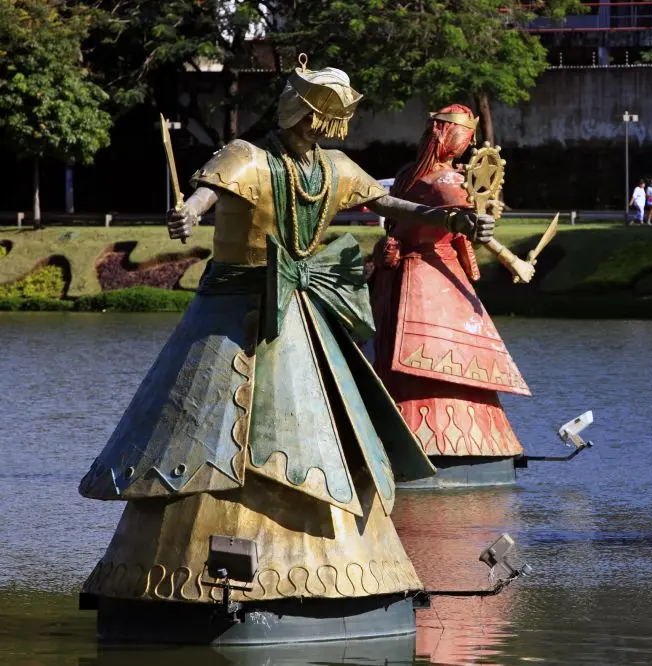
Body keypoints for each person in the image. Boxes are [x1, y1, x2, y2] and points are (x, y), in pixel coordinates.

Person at [77, 56, 496, 635]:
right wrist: (188, 216)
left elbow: (389, 204)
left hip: (302, 311)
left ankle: (344, 571)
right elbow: (204, 191)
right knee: (203, 432)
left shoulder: (335, 168)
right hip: (230, 309)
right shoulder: (247, 156)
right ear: (298, 113)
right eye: (314, 123)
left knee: (326, 425)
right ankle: (184, 574)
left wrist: (449, 216)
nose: (319, 134)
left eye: (327, 126)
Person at [368, 105, 530, 482]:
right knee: (438, 361)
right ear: (454, 139)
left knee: (395, 359)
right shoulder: (447, 182)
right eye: (464, 139)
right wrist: (513, 262)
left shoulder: (408, 174)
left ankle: (386, 436)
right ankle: (446, 444)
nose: (463, 147)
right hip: (427, 281)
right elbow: (474, 229)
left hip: (399, 281)